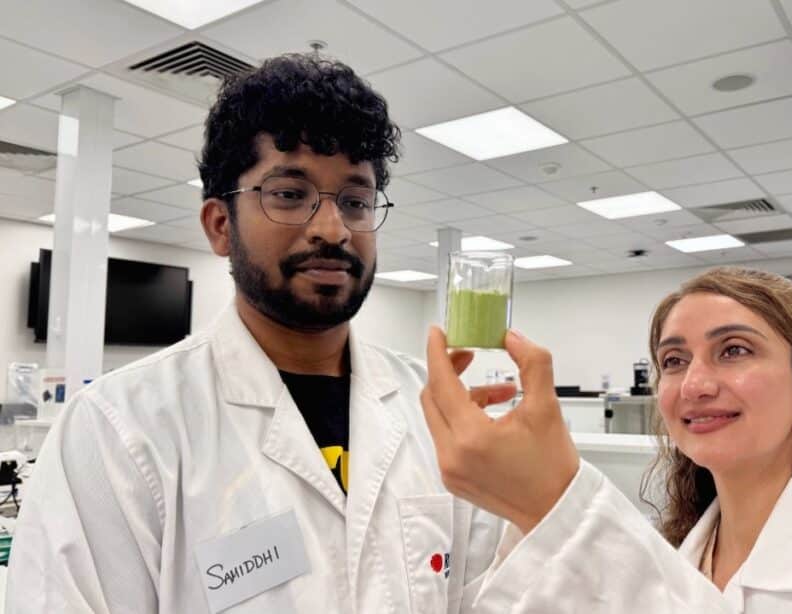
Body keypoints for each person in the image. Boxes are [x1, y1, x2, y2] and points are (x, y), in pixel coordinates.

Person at [7, 54, 502, 613]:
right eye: (289, 194)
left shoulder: (435, 412)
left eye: (356, 201)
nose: (332, 228)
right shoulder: (119, 430)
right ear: (220, 225)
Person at [421, 267, 792, 613]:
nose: (694, 384)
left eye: (734, 350)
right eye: (673, 360)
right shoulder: (677, 556)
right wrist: (531, 521)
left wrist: (557, 508)